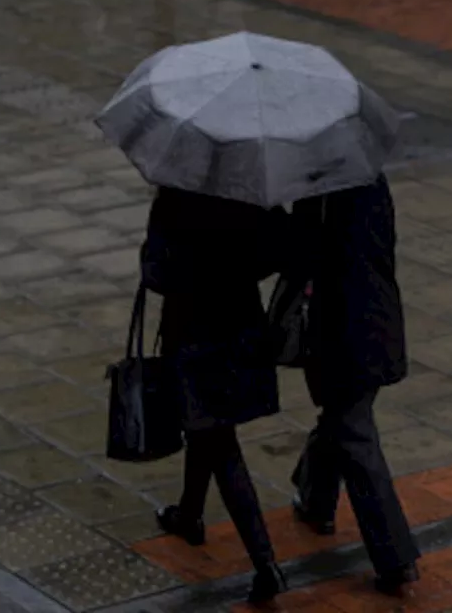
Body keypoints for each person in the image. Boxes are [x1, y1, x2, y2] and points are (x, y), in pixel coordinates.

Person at [141, 186, 289, 603]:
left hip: (194, 338)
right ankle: (189, 515)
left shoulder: (175, 198)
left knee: (218, 441)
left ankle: (265, 564)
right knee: (205, 428)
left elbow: (155, 273)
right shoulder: (251, 192)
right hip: (241, 333)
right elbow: (281, 248)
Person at [287, 174, 421, 594]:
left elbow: (299, 251)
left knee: (353, 431)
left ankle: (395, 557)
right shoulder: (372, 179)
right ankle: (315, 500)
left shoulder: (324, 192)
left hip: (343, 331)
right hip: (377, 319)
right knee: (342, 418)